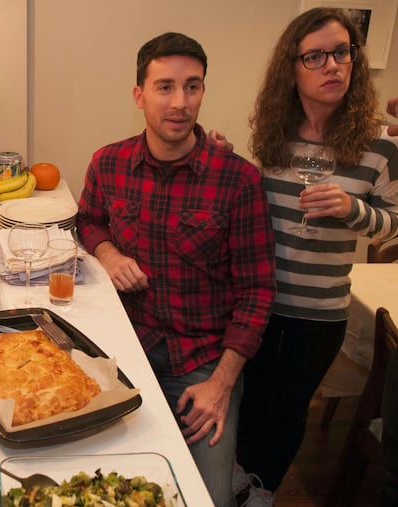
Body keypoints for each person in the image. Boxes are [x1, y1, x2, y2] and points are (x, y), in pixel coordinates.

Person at [76, 32, 276, 507]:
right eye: (165, 87)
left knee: (205, 498)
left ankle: (236, 483)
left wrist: (222, 384)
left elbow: (258, 292)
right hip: (126, 348)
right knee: (99, 481)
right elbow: (87, 220)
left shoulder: (239, 180)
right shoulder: (108, 163)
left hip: (204, 362)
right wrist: (108, 253)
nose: (180, 102)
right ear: (139, 95)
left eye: (193, 86)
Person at [233, 8, 398, 507]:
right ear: (292, 68)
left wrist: (353, 210)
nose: (334, 66)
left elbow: (392, 221)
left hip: (319, 313)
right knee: (248, 403)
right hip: (256, 304)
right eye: (316, 56)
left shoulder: (380, 145)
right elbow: (249, 203)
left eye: (343, 52)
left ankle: (261, 493)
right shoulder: (273, 135)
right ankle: (233, 484)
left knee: (287, 412)